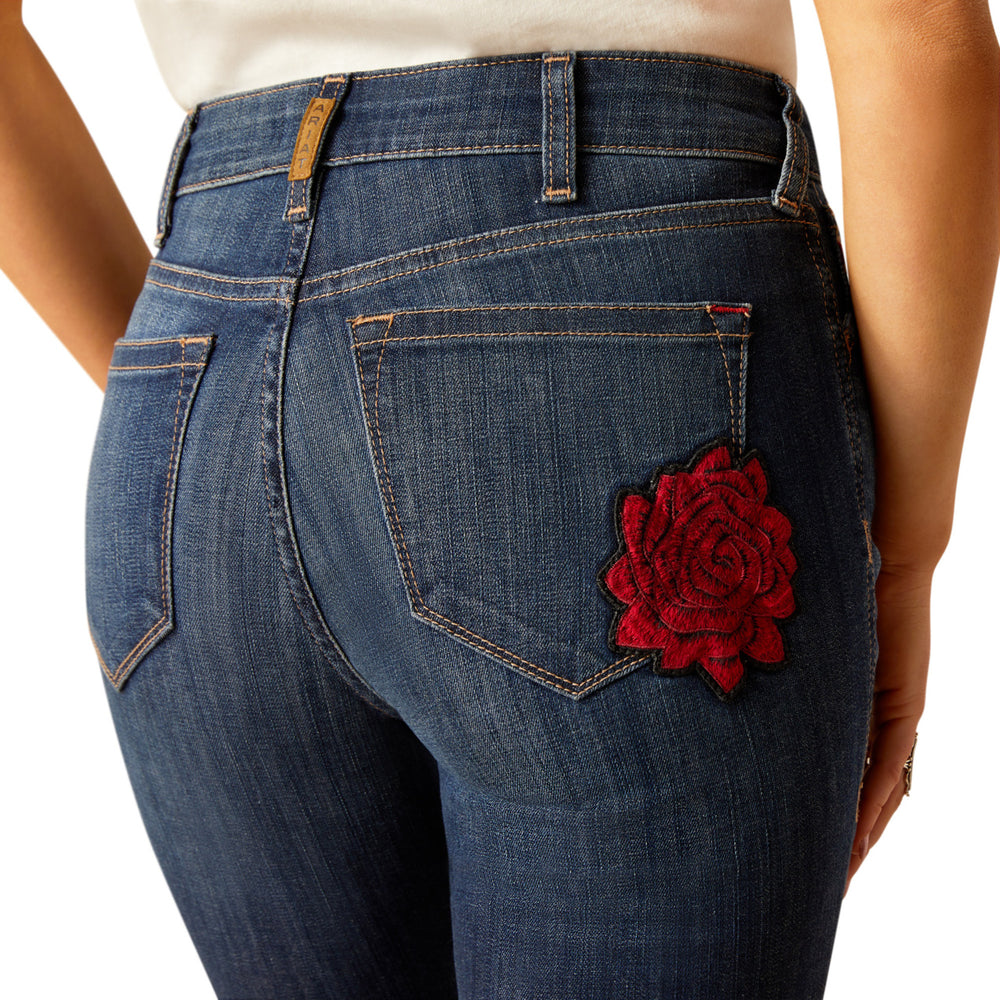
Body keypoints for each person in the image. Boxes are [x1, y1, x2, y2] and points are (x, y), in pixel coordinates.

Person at [1, 0, 997, 996]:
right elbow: (915, 37)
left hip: (196, 352)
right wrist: (903, 548)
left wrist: (178, 404)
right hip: (614, 283)